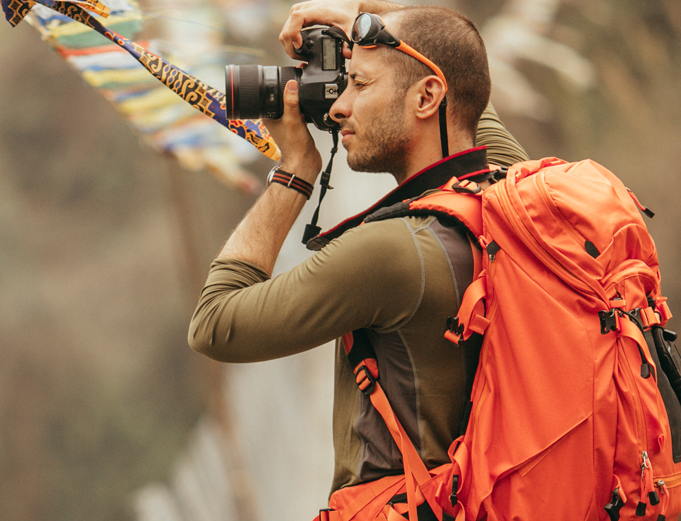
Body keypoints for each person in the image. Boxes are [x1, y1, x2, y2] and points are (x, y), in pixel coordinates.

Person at [186, 0, 523, 505]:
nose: (339, 106)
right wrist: (367, 24)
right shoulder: (515, 194)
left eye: (359, 85)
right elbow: (460, 79)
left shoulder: (389, 255)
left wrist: (294, 170)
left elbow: (214, 323)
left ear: (427, 98)